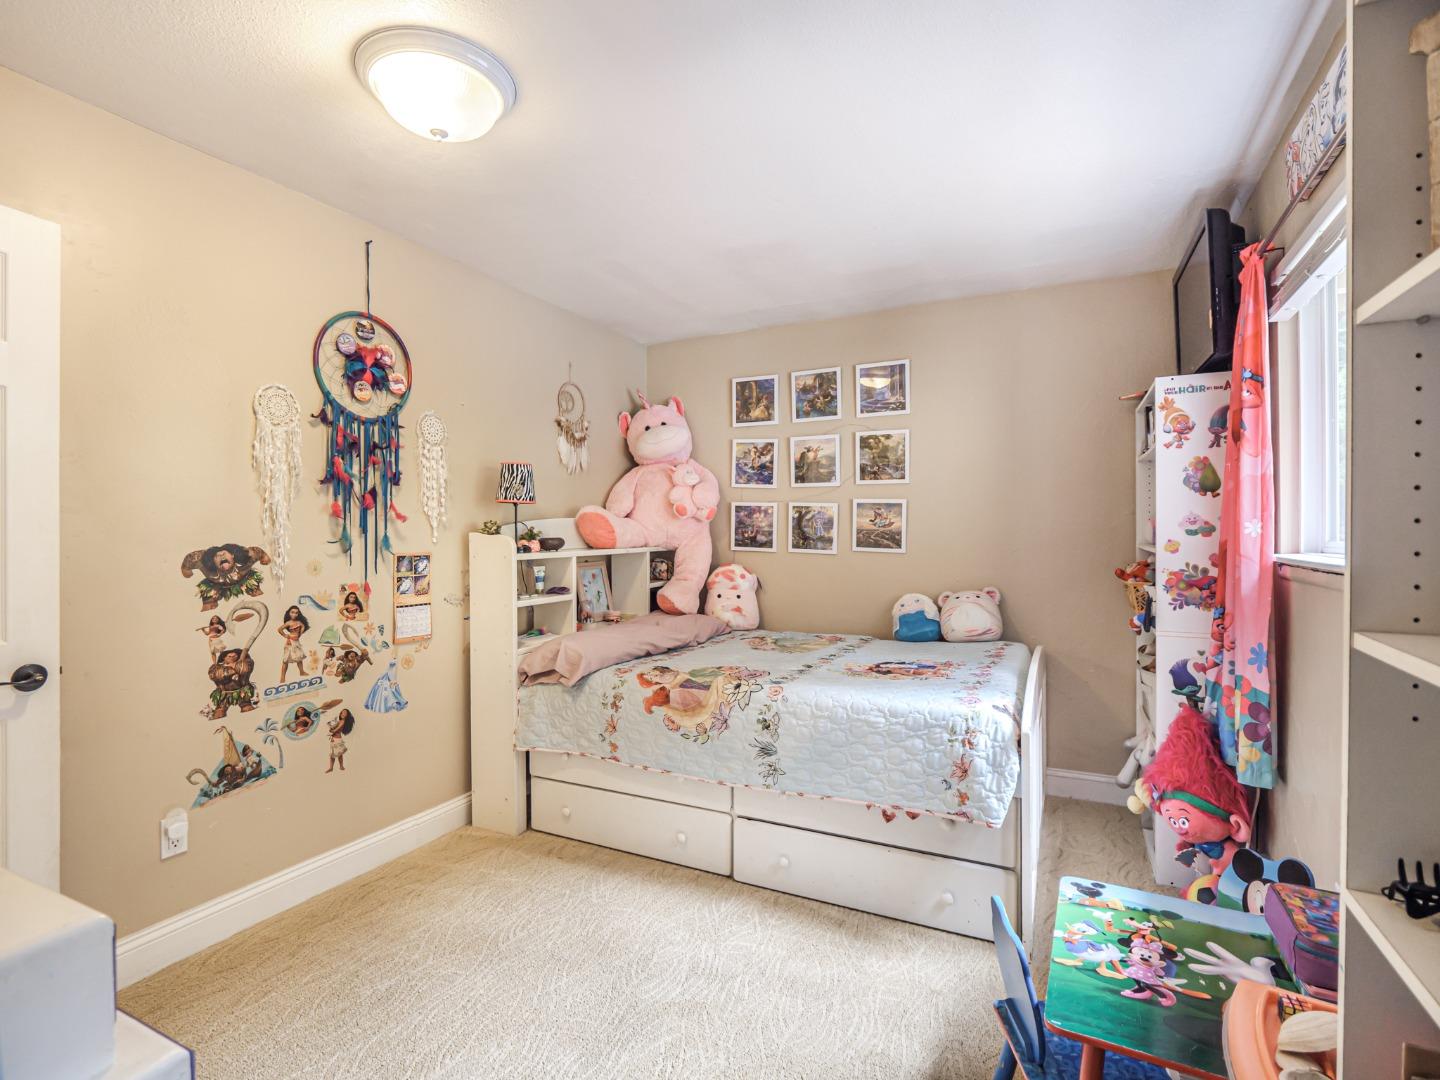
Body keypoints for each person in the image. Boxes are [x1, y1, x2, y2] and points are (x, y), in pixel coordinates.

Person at [277, 605, 310, 681]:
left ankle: (301, 672)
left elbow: (303, 626)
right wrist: (286, 635)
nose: (294, 614)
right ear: (289, 613)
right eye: (292, 612)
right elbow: (279, 629)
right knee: (285, 660)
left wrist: (300, 634)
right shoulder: (288, 623)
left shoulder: (299, 622)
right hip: (290, 642)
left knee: (299, 657)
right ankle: (282, 677)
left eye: (296, 613)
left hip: (297, 642)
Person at [326, 709, 354, 773]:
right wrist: (331, 727)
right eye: (342, 712)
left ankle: (339, 766)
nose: (343, 713)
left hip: (337, 740)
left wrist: (332, 729)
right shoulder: (339, 721)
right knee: (334, 755)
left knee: (338, 754)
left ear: (347, 715)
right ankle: (333, 767)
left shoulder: (342, 722)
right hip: (333, 740)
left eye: (345, 713)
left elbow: (335, 730)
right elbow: (332, 728)